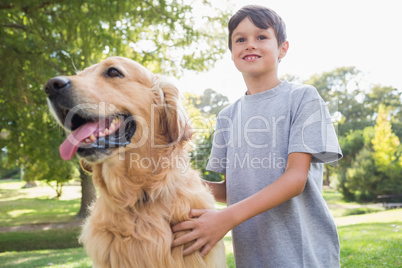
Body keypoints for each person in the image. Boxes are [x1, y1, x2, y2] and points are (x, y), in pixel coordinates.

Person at [172, 5, 342, 268]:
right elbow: (232, 190)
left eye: (261, 37)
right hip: (252, 257)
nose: (250, 44)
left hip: (302, 254)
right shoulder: (227, 116)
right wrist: (173, 183)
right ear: (231, 52)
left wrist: (225, 219)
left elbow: (295, 179)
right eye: (240, 39)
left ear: (283, 48)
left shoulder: (302, 99)